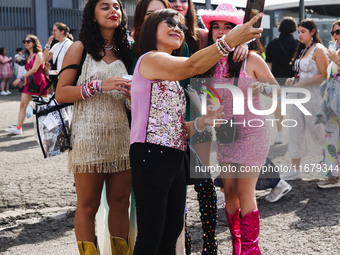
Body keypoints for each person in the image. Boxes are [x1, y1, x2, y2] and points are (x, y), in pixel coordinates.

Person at [130, 8, 263, 254]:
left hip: (175, 157)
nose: (176, 28)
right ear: (150, 30)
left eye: (180, 25)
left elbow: (175, 129)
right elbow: (192, 65)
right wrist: (231, 40)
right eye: (168, 22)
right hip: (150, 156)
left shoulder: (170, 74)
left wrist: (202, 122)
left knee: (170, 235)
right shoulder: (150, 59)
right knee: (151, 238)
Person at [199, 3, 280, 254]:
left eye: (228, 27)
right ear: (210, 31)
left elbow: (276, 90)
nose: (221, 32)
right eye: (217, 27)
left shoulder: (251, 58)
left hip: (253, 131)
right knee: (229, 190)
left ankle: (250, 250)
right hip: (226, 132)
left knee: (245, 191)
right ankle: (237, 244)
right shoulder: (208, 60)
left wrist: (262, 88)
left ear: (238, 30)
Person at [55, 0, 132, 254]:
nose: (113, 11)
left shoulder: (125, 49)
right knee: (88, 206)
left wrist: (132, 96)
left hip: (121, 137)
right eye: (105, 6)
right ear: (92, 14)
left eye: (117, 7)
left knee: (121, 204)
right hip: (88, 138)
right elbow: (61, 93)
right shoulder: (80, 47)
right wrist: (100, 85)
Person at [282, 18, 329, 181]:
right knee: (296, 130)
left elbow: (324, 75)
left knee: (318, 131)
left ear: (312, 32)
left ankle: (330, 166)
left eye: (303, 32)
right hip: (298, 96)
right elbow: (300, 73)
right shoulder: (303, 50)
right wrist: (293, 81)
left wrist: (303, 83)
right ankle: (295, 168)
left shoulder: (319, 49)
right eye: (298, 32)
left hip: (313, 95)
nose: (299, 35)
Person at [4, 35, 48, 135]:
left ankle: (46, 127)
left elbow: (35, 69)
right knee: (23, 104)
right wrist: (24, 82)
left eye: (28, 41)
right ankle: (19, 128)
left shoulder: (39, 54)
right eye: (24, 41)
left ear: (34, 42)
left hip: (39, 82)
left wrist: (20, 78)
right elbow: (28, 70)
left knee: (42, 106)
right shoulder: (28, 56)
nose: (26, 43)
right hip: (29, 83)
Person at [266, 17, 299, 144]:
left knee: (279, 106)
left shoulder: (272, 44)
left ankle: (280, 134)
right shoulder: (297, 44)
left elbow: (269, 65)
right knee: (297, 107)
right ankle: (295, 133)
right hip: (295, 81)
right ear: (294, 29)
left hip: (278, 80)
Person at [316, 19, 340, 188]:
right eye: (333, 32)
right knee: (330, 139)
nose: (335, 35)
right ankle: (333, 175)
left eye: (338, 32)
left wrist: (337, 61)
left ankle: (334, 177)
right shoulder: (336, 52)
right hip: (332, 105)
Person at [43, 22, 73, 89]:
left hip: (66, 78)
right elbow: (45, 58)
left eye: (55, 30)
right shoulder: (56, 46)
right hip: (57, 77)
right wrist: (48, 44)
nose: (52, 33)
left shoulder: (70, 44)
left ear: (62, 31)